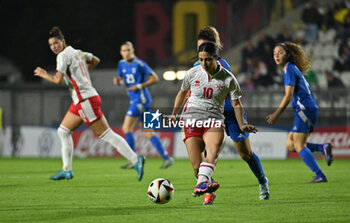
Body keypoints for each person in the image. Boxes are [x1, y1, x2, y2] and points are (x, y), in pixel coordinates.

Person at [34, 27, 145, 181]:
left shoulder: (62, 56)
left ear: (63, 42)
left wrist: (44, 74)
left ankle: (135, 159)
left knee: (106, 134)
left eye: (56, 43)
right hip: (83, 99)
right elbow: (95, 60)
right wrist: (83, 73)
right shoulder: (77, 52)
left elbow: (58, 79)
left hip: (85, 100)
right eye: (51, 44)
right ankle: (67, 170)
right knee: (63, 132)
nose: (54, 47)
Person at [170, 41, 259, 205]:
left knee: (212, 151)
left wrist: (241, 125)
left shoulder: (228, 78)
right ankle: (206, 185)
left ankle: (202, 183)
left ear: (217, 57)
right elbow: (181, 93)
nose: (204, 64)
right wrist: (174, 114)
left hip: (214, 121)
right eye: (201, 59)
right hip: (191, 120)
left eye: (208, 60)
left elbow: (237, 104)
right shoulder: (192, 73)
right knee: (197, 168)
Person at [194, 26, 270, 205]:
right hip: (212, 116)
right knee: (209, 153)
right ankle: (208, 191)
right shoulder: (195, 67)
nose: (202, 51)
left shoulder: (222, 66)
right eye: (199, 48)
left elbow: (231, 96)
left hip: (230, 113)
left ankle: (262, 182)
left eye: (205, 46)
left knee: (245, 154)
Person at [267, 42, 333, 183]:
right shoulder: (291, 68)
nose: (276, 56)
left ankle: (320, 175)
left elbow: (288, 95)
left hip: (304, 109)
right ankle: (322, 147)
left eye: (280, 52)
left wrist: (276, 114)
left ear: (288, 54)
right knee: (290, 144)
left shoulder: (289, 69)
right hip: (308, 108)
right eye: (274, 53)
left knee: (299, 145)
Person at [113, 41, 174, 169]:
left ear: (133, 51)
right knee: (148, 131)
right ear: (121, 52)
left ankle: (133, 160)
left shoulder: (140, 64)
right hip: (139, 100)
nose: (126, 53)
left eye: (128, 50)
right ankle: (167, 158)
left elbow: (155, 78)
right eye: (124, 50)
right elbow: (122, 80)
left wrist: (139, 86)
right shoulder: (121, 64)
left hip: (141, 99)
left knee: (126, 128)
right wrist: (118, 81)